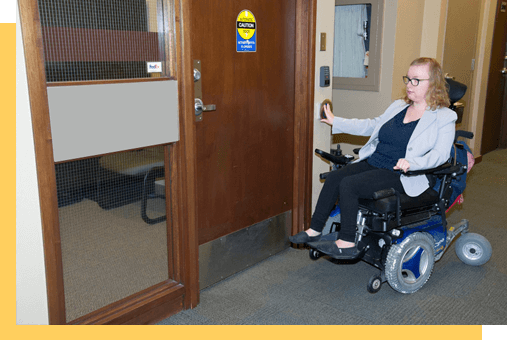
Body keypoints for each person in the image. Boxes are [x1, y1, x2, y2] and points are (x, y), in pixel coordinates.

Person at [289, 57, 456, 258]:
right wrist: (336, 121)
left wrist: (413, 163)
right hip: (375, 161)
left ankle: (347, 241)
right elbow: (372, 125)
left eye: (416, 80)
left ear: (433, 83)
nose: (409, 85)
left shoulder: (444, 117)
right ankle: (315, 230)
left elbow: (441, 155)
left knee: (350, 185)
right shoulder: (398, 106)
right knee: (335, 178)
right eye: (408, 79)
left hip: (403, 173)